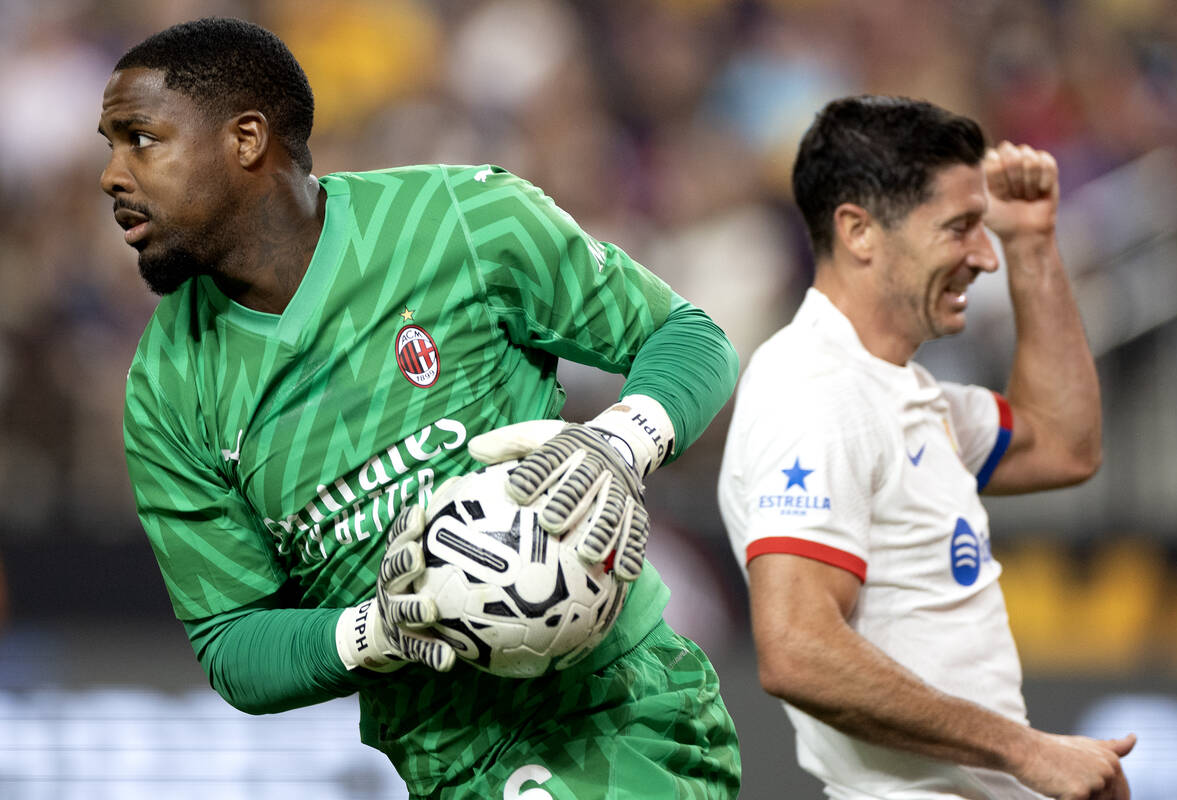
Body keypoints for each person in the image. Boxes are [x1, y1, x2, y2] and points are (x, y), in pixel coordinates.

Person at [100, 17, 740, 799]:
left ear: (245, 139)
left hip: (616, 713)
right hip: (447, 764)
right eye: (109, 144)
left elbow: (688, 337)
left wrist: (618, 442)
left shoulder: (458, 222)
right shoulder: (166, 389)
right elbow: (233, 643)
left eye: (139, 138)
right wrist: (374, 629)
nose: (112, 174)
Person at [717, 95, 1135, 800]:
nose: (983, 256)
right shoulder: (815, 392)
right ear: (859, 231)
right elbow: (796, 649)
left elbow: (1063, 444)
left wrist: (1032, 240)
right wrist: (1023, 749)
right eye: (960, 228)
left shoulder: (900, 391)